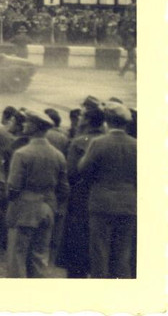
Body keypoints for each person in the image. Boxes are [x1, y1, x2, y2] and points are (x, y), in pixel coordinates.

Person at [5, 108, 69, 278]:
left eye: (28, 122)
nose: (24, 125)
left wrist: (11, 204)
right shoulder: (58, 155)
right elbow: (64, 188)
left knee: (17, 258)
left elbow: (13, 187)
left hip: (24, 208)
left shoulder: (21, 153)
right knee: (39, 258)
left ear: (34, 127)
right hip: (47, 208)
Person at [77, 103, 136, 278]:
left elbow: (83, 169)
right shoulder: (136, 145)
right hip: (129, 203)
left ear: (107, 121)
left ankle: (101, 288)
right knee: (123, 253)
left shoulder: (98, 143)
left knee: (100, 252)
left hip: (101, 203)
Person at [56, 106, 106, 278]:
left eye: (83, 116)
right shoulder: (105, 139)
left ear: (87, 120)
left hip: (80, 197)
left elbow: (71, 172)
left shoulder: (79, 141)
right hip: (100, 195)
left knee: (77, 242)